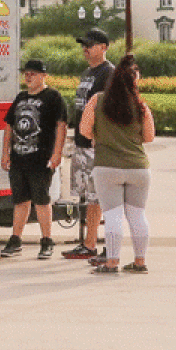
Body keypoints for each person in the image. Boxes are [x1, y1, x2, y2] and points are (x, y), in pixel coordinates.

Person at [79, 53, 155, 274]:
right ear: (134, 82)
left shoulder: (97, 100)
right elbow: (149, 137)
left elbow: (84, 130)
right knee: (137, 215)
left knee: (113, 216)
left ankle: (112, 262)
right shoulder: (141, 105)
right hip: (138, 168)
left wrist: (99, 136)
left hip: (107, 167)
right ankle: (140, 262)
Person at [0, 59, 67, 259]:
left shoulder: (53, 97)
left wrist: (57, 153)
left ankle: (47, 241)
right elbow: (9, 125)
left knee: (41, 200)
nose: (28, 77)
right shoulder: (20, 97)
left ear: (44, 76)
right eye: (26, 73)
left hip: (41, 158)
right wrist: (5, 152)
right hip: (19, 158)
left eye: (33, 74)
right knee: (20, 200)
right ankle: (15, 239)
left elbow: (61, 125)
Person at [63, 27, 115, 261]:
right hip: (81, 142)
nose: (85, 48)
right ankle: (89, 242)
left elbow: (108, 107)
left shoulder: (109, 72)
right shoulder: (87, 73)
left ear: (104, 47)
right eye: (84, 45)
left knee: (98, 196)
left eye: (90, 45)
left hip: (96, 144)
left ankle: (94, 244)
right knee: (87, 196)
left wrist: (98, 135)